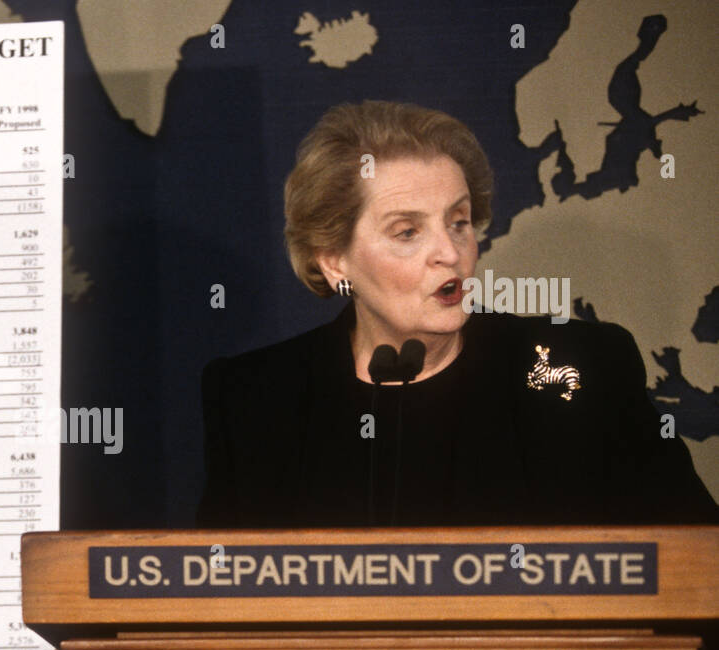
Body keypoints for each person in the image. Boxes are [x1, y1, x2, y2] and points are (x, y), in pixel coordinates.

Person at [196, 100, 718, 528]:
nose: (449, 252)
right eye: (407, 232)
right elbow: (220, 608)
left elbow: (696, 568)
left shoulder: (583, 368)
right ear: (333, 261)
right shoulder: (256, 399)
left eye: (460, 222)